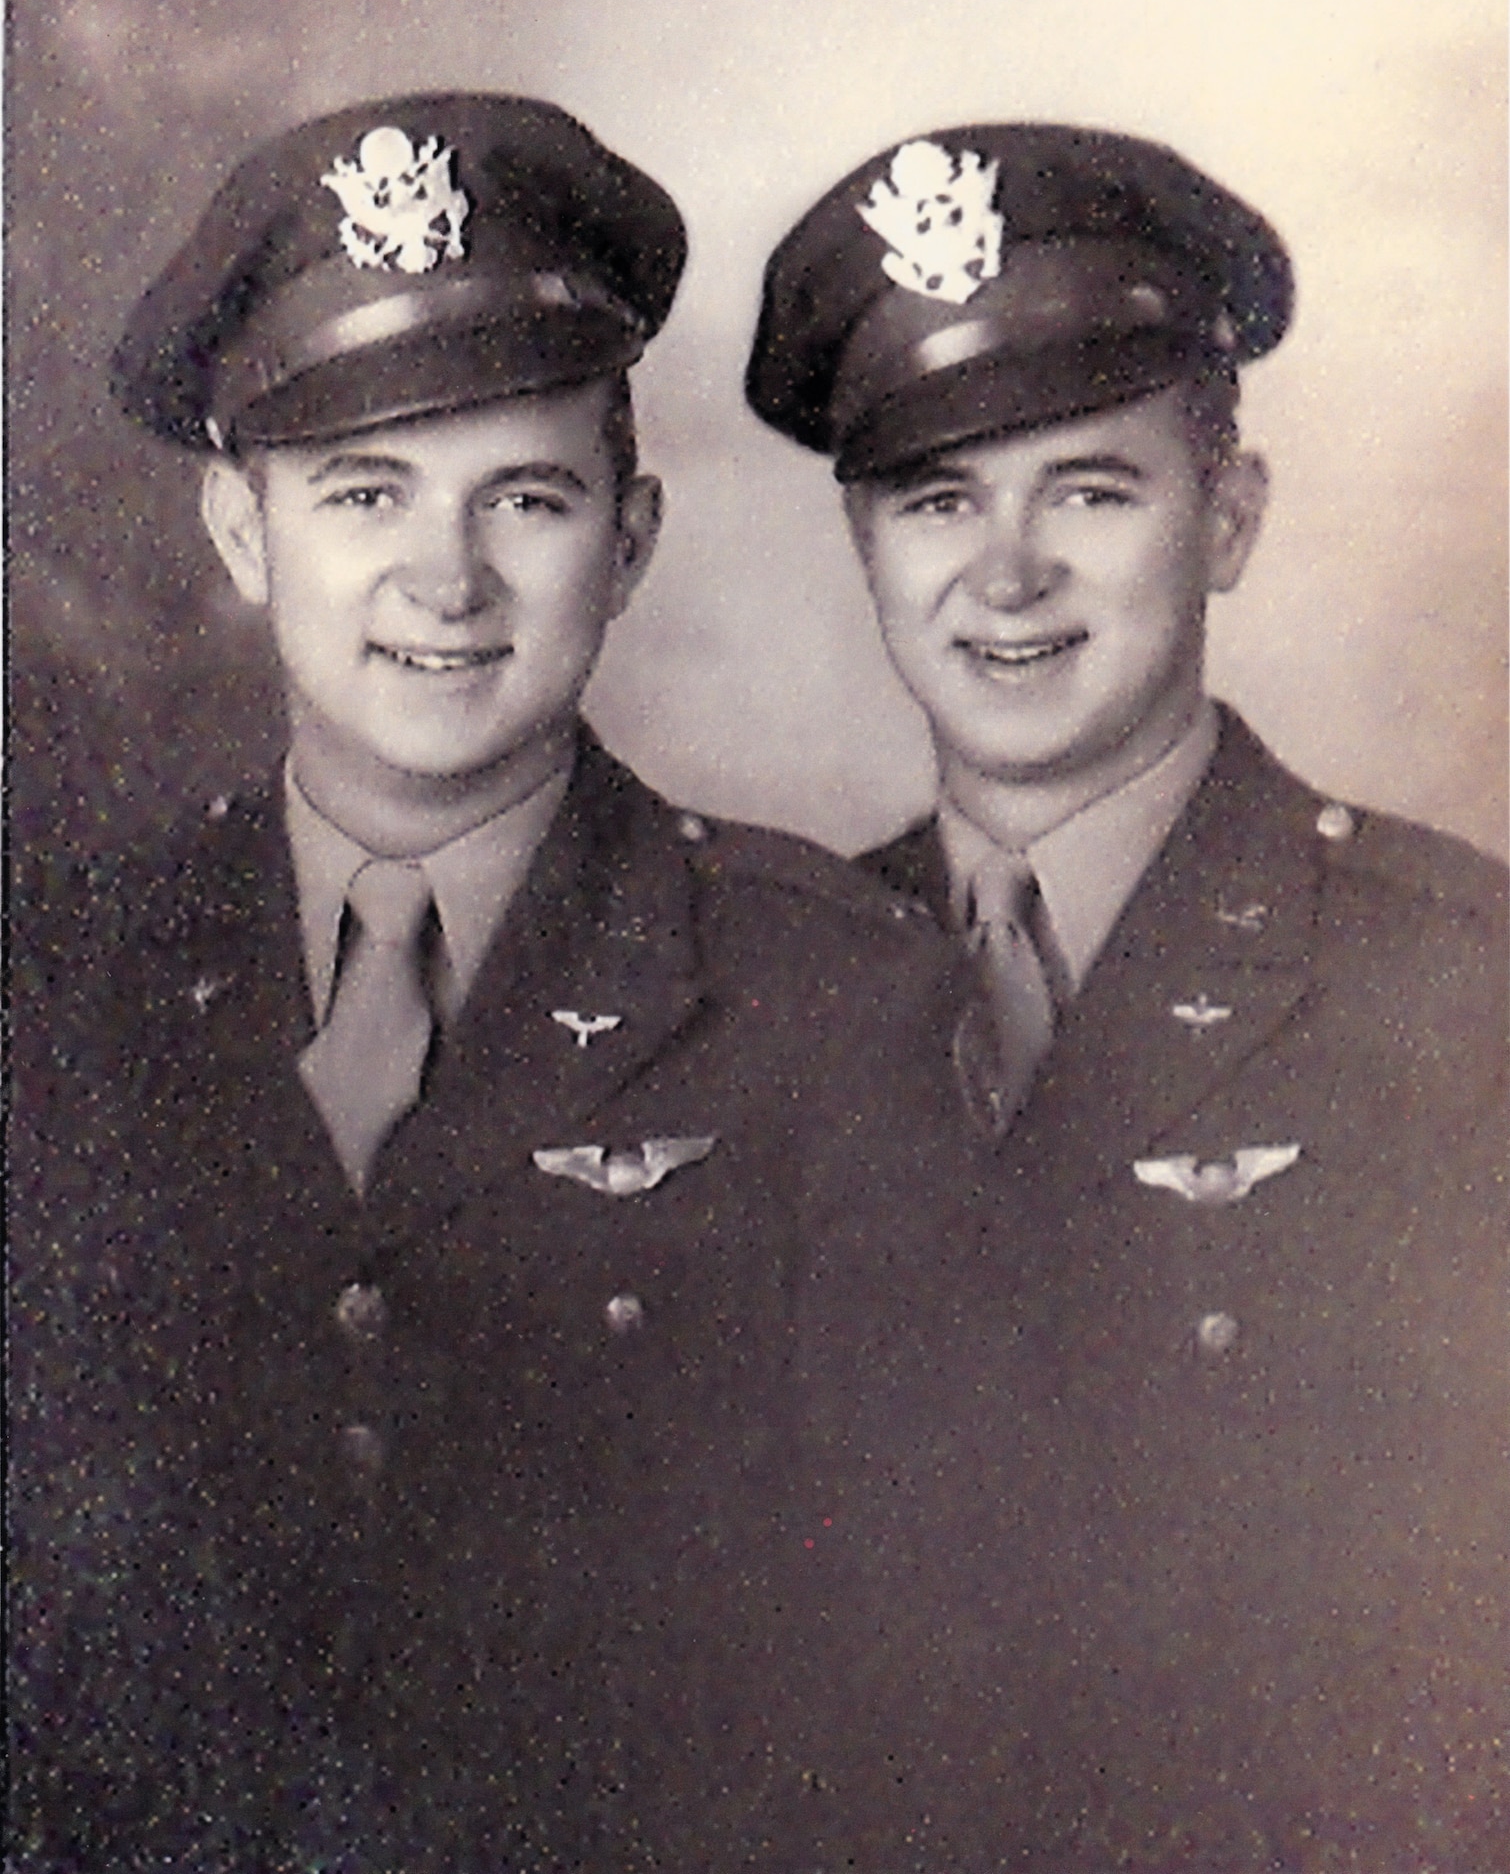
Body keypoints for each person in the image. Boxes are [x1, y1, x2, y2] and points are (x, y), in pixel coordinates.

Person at [8, 93, 970, 1872]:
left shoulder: (834, 1001)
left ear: (630, 537)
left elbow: (917, 1713)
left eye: (521, 497)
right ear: (240, 535)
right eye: (364, 492)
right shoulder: (54, 996)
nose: (442, 579)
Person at [745, 124, 1509, 1866]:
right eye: (937, 499)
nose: (1004, 576)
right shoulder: (762, 986)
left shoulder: (1459, 989)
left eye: (1088, 490)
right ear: (863, 545)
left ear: (1226, 521)